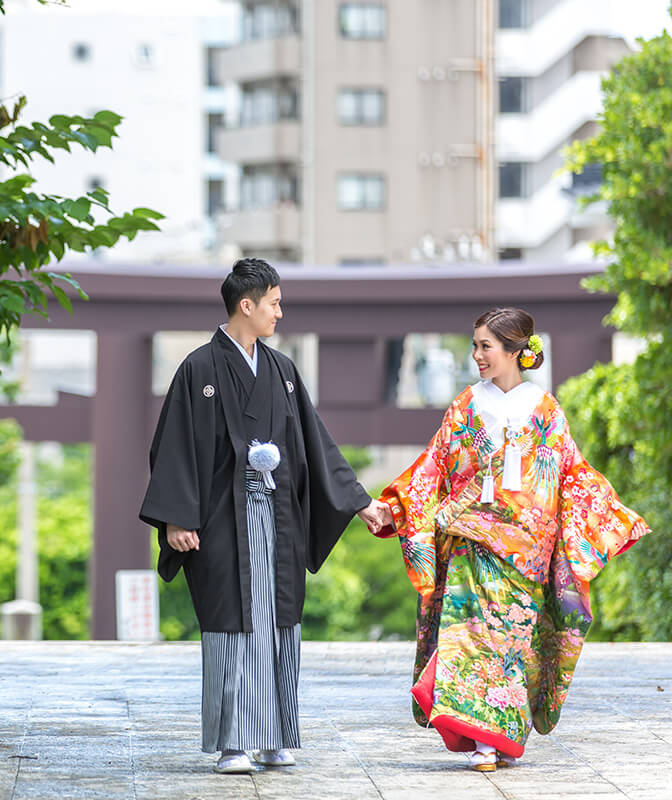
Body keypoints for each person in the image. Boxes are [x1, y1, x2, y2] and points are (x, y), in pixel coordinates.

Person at [139, 258, 391, 775]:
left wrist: (360, 501)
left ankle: (275, 736)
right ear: (246, 305)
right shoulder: (199, 369)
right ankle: (234, 743)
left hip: (277, 517)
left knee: (278, 621)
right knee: (233, 623)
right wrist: (176, 518)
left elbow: (315, 443)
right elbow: (175, 449)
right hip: (220, 518)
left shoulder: (281, 370)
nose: (281, 311)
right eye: (274, 302)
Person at [374, 307, 650, 772]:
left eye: (486, 346)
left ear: (516, 351)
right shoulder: (466, 404)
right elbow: (433, 465)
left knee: (512, 644)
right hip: (470, 538)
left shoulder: (544, 409)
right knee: (472, 636)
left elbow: (572, 475)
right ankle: (483, 742)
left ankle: (498, 734)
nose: (477, 354)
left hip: (526, 548)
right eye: (476, 344)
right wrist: (396, 505)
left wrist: (610, 519)